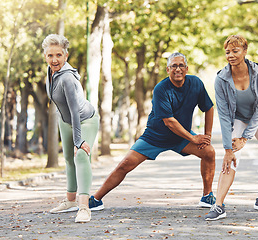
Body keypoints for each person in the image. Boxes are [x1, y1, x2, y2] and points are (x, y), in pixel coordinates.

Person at [88, 52, 216, 211]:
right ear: (168, 70)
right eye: (173, 66)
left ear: (187, 68)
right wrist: (193, 137)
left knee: (209, 152)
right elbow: (169, 122)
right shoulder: (161, 89)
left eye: (181, 65)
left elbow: (208, 108)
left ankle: (207, 196)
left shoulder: (196, 83)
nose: (178, 69)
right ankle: (95, 199)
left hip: (181, 136)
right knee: (125, 164)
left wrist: (207, 136)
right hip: (155, 136)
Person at [205, 35, 258, 221]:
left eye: (235, 51)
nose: (230, 55)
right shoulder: (221, 79)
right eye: (227, 52)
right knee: (230, 160)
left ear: (244, 51)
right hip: (238, 119)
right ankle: (218, 206)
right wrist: (227, 148)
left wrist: (245, 138)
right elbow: (224, 116)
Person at [42, 34, 99, 223]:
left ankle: (84, 208)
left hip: (85, 120)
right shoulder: (50, 72)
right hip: (65, 121)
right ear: (45, 56)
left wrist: (78, 140)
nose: (54, 59)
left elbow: (75, 111)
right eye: (50, 55)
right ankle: (70, 202)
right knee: (68, 159)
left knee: (81, 155)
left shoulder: (67, 78)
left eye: (59, 55)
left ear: (66, 56)